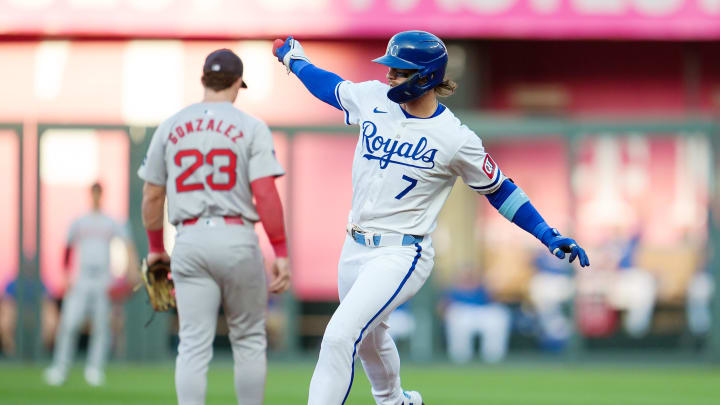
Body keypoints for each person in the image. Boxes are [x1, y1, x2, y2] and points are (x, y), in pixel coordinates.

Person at [273, 31, 590, 405]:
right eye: (390, 68)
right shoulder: (374, 99)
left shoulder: (455, 138)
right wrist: (295, 60)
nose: (390, 76)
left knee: (341, 335)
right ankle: (396, 401)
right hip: (354, 245)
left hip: (400, 253)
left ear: (425, 77)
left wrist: (547, 234)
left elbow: (500, 188)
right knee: (371, 337)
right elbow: (331, 88)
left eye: (400, 71)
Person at [138, 48, 291, 405]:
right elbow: (265, 193)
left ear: (204, 79)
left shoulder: (171, 125)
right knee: (250, 339)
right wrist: (280, 250)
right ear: (238, 83)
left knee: (192, 345)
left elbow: (152, 195)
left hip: (190, 237)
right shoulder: (250, 126)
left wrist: (156, 247)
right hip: (237, 236)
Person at [44, 182, 138, 386]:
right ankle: (60, 367)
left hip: (103, 278)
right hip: (82, 277)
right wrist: (66, 275)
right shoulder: (80, 221)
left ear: (101, 195)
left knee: (102, 326)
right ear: (90, 195)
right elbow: (67, 249)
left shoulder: (110, 221)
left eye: (99, 193)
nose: (96, 196)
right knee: (70, 322)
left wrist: (132, 271)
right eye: (94, 192)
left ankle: (94, 369)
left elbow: (127, 244)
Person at [442, 267, 511, 364]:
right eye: (465, 276)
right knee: (456, 316)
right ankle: (460, 356)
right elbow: (443, 307)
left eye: (471, 276)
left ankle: (493, 356)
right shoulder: (453, 291)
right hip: (462, 314)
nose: (468, 279)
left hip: (482, 314)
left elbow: (495, 300)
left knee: (499, 315)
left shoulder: (483, 289)